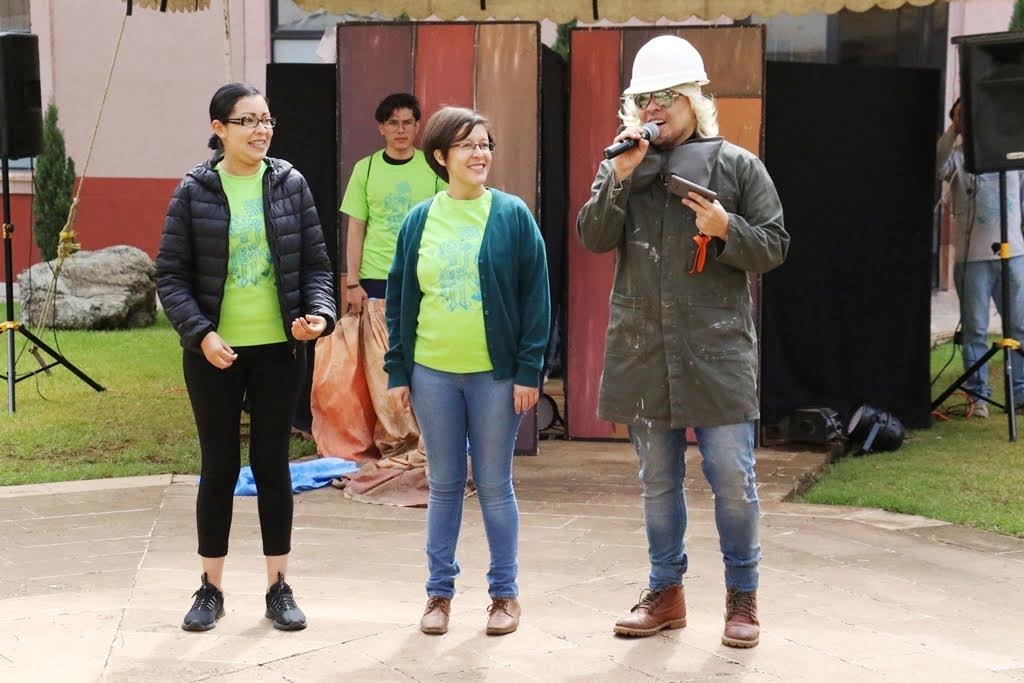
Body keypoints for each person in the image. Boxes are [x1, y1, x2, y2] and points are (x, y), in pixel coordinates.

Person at [577, 35, 788, 648]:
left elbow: (775, 246)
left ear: (695, 100)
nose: (656, 107)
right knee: (658, 482)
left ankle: (742, 598)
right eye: (646, 98)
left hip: (717, 350)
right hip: (643, 349)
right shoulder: (622, 165)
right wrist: (618, 179)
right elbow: (593, 237)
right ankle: (665, 592)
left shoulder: (738, 166)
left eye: (668, 96)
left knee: (732, 478)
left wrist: (726, 228)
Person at [156, 82, 337, 633]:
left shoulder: (290, 183)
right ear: (219, 129)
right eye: (248, 121)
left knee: (271, 464)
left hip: (280, 350)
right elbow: (170, 275)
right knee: (219, 467)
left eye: (267, 120)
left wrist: (319, 315)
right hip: (214, 352)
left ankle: (278, 586)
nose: (261, 131)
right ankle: (209, 588)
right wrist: (201, 334)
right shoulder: (194, 191)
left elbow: (316, 266)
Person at [384, 106, 550, 636]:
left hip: (496, 378)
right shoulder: (419, 221)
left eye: (485, 144)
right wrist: (398, 371)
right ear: (441, 156)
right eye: (468, 145)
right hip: (431, 374)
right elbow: (400, 300)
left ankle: (504, 595)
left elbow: (537, 297)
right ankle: (439, 595)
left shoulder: (512, 215)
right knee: (444, 484)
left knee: (496, 485)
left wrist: (529, 371)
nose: (480, 154)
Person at [937, 96, 1024, 417]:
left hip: (1013, 253)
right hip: (971, 259)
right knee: (975, 330)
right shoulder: (957, 157)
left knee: (1019, 326)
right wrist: (955, 128)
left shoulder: (1011, 156)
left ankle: (1020, 393)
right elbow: (937, 165)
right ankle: (979, 396)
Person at [341, 93, 445, 309]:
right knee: (377, 333)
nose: (400, 130)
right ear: (381, 127)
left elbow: (446, 222)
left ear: (417, 126)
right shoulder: (365, 168)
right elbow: (356, 227)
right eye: (393, 123)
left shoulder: (434, 167)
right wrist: (352, 283)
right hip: (376, 275)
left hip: (423, 272)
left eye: (407, 123)